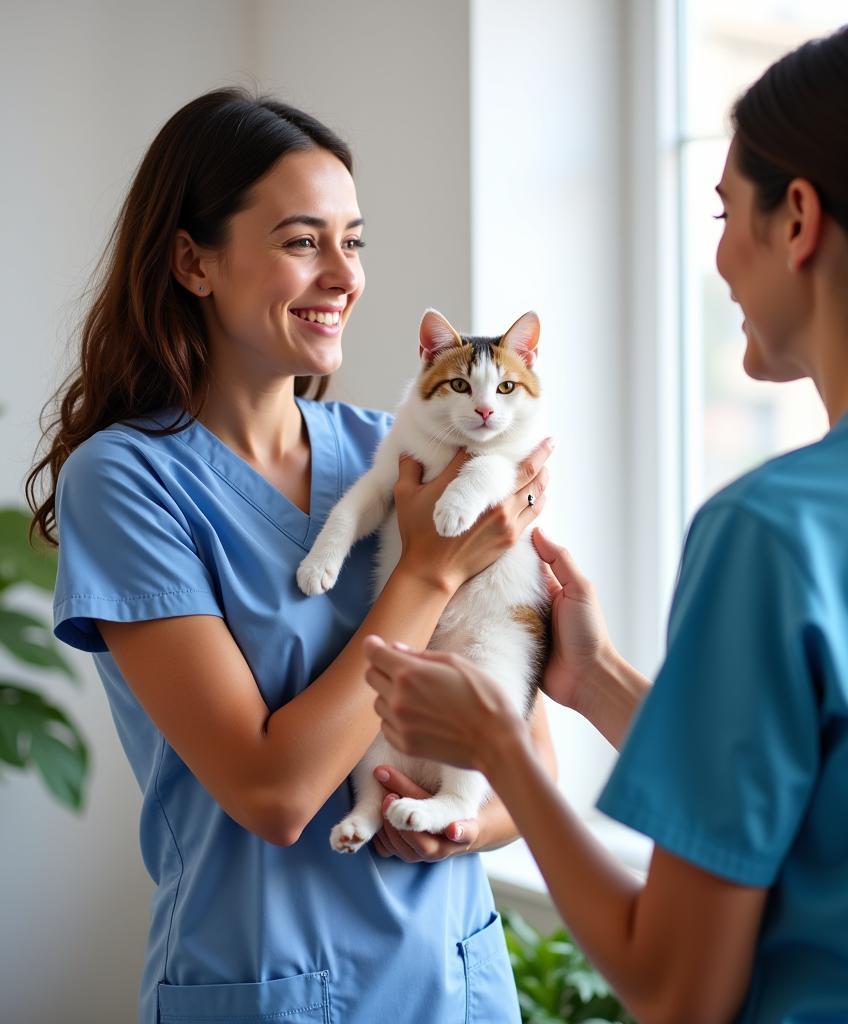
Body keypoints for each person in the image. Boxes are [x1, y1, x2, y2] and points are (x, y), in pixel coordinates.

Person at [363, 20, 848, 1024]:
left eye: (722, 210)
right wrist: (596, 683)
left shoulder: (774, 532)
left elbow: (678, 990)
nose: (716, 257)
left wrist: (500, 747)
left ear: (797, 219)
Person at [28, 88, 555, 1023]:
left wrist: (461, 827)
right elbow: (274, 793)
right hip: (269, 987)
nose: (343, 276)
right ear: (194, 261)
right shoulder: (126, 481)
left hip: (456, 986)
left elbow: (530, 768)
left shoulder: (400, 449)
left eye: (353, 241)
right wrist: (428, 571)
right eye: (302, 241)